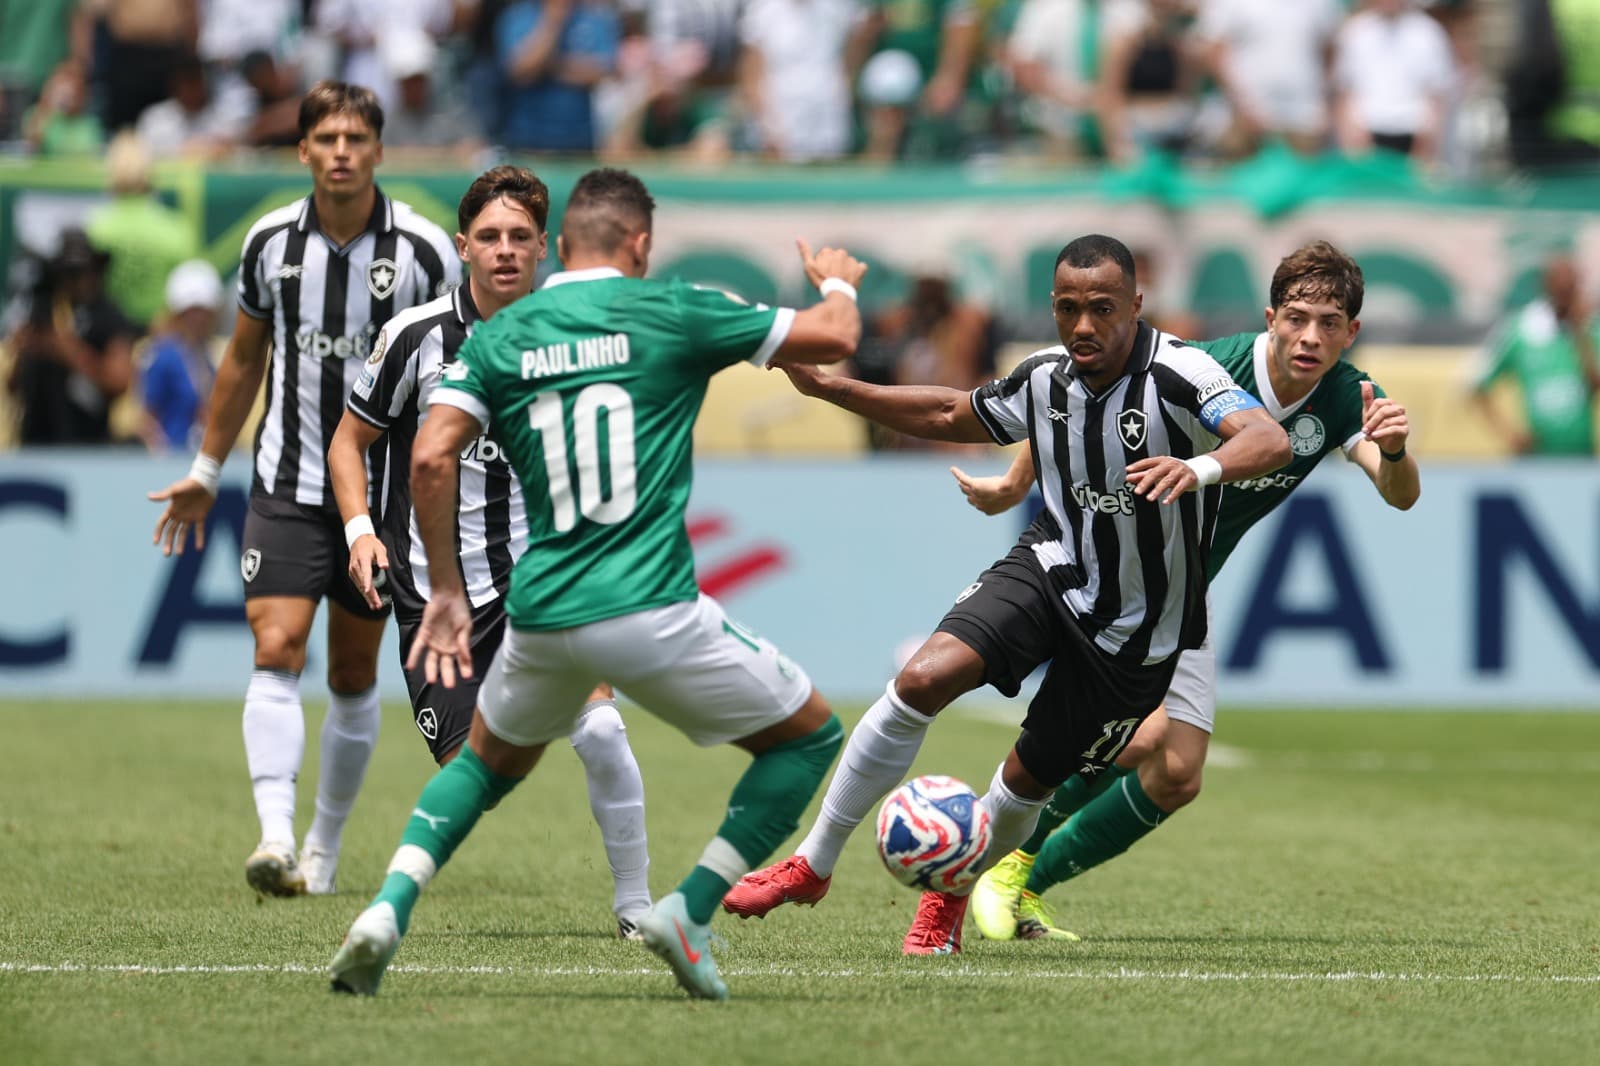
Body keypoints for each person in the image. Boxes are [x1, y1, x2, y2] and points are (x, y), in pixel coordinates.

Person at [326, 167, 866, 1002]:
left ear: (558, 246)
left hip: (538, 609)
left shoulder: (504, 336)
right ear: (640, 246)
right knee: (810, 741)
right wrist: (834, 277)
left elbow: (429, 456)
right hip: (648, 604)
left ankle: (387, 909)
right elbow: (833, 336)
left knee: (483, 768)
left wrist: (438, 592)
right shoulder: (672, 308)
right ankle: (687, 911)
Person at [723, 234, 1292, 956]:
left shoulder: (1183, 371)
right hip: (1051, 569)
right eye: (1067, 308)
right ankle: (813, 863)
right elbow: (948, 414)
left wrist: (1201, 468)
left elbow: (1267, 439)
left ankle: (948, 897)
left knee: (1027, 782)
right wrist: (835, 388)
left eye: (1102, 309)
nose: (1083, 326)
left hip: (1138, 634)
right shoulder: (1044, 377)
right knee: (920, 678)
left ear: (1135, 305)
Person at [954, 240, 1420, 941]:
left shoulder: (1348, 395)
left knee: (1176, 770)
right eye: (1297, 318)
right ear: (1271, 318)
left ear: (1351, 332)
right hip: (1113, 575)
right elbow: (1089, 393)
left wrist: (1394, 451)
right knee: (1133, 740)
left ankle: (1020, 879)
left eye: (1329, 323)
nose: (1310, 337)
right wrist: (1017, 481)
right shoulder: (1217, 367)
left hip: (1182, 591)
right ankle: (992, 863)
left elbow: (1400, 496)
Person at [147, 81, 459, 900]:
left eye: (357, 137)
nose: (343, 151)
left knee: (353, 673)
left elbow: (455, 372)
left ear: (380, 151)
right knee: (276, 645)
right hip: (286, 482)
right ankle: (276, 837)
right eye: (327, 138)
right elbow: (244, 360)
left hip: (384, 497)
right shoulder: (270, 244)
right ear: (304, 152)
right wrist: (206, 472)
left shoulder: (428, 253)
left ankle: (323, 844)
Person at [325, 164, 652, 938]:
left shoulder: (583, 338)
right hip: (440, 602)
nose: (505, 251)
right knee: (477, 776)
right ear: (462, 246)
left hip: (549, 588)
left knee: (603, 729)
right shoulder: (415, 338)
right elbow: (349, 442)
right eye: (490, 237)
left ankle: (638, 907)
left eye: (521, 237)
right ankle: (383, 900)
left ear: (547, 248)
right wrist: (360, 530)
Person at [5, 228, 136, 445]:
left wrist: (69, 352)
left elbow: (119, 381)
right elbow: (13, 386)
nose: (76, 280)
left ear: (96, 270)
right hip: (36, 440)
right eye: (68, 272)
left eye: (82, 271)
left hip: (88, 442)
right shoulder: (43, 313)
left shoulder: (109, 317)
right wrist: (23, 350)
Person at [1470, 254, 1600, 456]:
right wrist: (1510, 434)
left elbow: (1594, 386)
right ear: (1546, 286)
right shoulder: (1521, 330)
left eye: (1570, 287)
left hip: (1582, 455)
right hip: (1536, 457)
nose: (1564, 293)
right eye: (1559, 286)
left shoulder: (1592, 330)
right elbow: (1477, 387)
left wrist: (1580, 334)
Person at [140, 259, 222, 452]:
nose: (198, 320)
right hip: (172, 459)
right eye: (191, 312)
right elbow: (147, 418)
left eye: (203, 312)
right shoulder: (163, 355)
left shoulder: (205, 354)